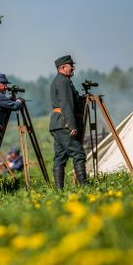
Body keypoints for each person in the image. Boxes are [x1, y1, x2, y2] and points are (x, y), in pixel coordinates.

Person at [49, 55, 87, 189]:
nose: (73, 68)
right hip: (64, 123)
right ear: (63, 67)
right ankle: (85, 188)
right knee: (78, 154)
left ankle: (59, 191)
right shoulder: (63, 81)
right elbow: (66, 104)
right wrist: (72, 125)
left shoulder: (62, 80)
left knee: (60, 156)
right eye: (71, 65)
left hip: (58, 124)